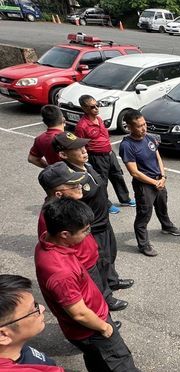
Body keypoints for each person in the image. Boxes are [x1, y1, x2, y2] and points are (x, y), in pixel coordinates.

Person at [34, 198, 168, 372]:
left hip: (81, 326)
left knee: (96, 357)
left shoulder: (47, 240)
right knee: (118, 355)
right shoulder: (60, 272)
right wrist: (104, 327)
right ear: (64, 234)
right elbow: (79, 313)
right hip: (90, 324)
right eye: (85, 230)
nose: (88, 234)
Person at [37, 161, 128, 312]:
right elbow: (54, 250)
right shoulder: (50, 218)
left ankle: (106, 304)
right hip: (83, 266)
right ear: (59, 194)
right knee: (92, 299)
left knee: (100, 286)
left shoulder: (69, 207)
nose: (80, 186)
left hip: (90, 259)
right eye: (74, 185)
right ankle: (103, 322)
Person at [53, 132, 134, 295]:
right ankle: (105, 296)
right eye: (77, 148)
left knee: (110, 253)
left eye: (82, 146)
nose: (84, 150)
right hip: (93, 228)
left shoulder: (87, 166)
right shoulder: (71, 179)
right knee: (100, 262)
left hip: (104, 221)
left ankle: (112, 281)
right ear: (63, 154)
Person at [119, 110, 180, 257]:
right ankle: (143, 244)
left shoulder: (150, 138)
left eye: (144, 124)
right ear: (129, 127)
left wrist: (163, 177)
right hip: (144, 185)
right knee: (144, 215)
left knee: (162, 206)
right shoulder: (127, 145)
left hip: (159, 181)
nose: (143, 128)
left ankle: (166, 226)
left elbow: (157, 157)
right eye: (139, 126)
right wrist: (154, 182)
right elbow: (134, 172)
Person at [75, 95, 135, 214]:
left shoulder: (99, 119)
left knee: (117, 175)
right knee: (102, 182)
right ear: (84, 108)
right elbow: (80, 145)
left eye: (97, 105)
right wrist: (85, 161)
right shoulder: (82, 126)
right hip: (97, 157)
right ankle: (106, 205)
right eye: (92, 107)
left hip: (109, 153)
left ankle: (125, 199)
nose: (96, 108)